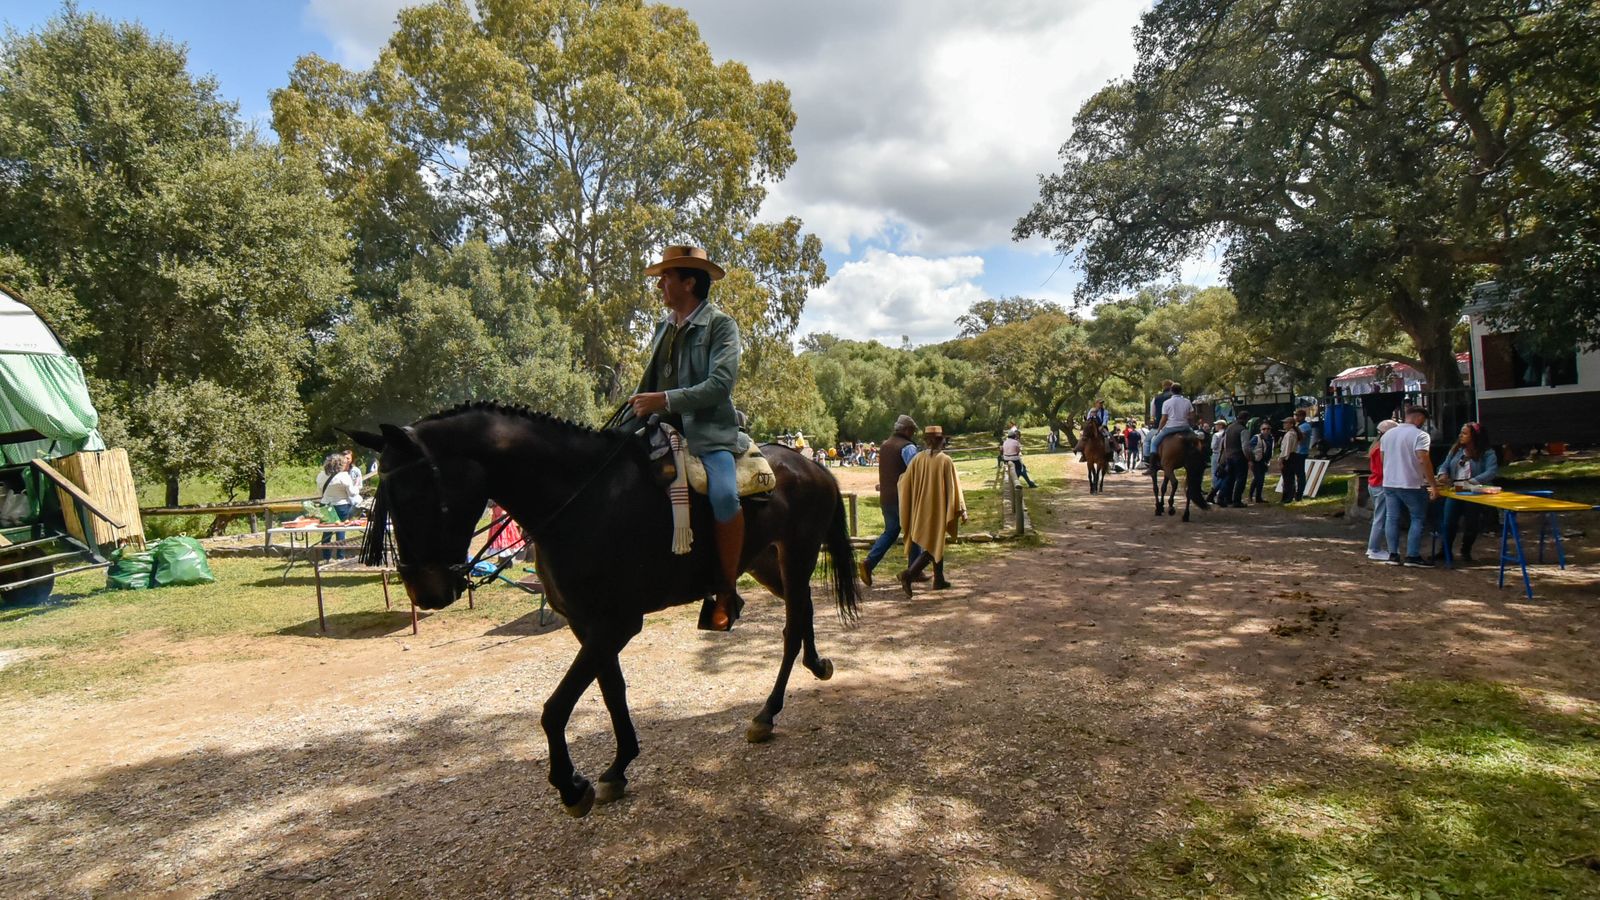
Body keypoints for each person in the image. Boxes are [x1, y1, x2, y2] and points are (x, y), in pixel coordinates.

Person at [621, 245, 746, 631]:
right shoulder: (664, 327)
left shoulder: (721, 325)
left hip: (710, 433)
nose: (660, 284)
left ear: (689, 282)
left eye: (666, 277)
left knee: (725, 496)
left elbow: (719, 386)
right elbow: (651, 383)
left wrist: (666, 399)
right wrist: (630, 414)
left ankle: (725, 592)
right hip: (661, 425)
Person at [897, 426, 967, 596]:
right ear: (939, 440)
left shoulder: (918, 459)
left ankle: (939, 579)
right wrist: (962, 509)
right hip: (937, 508)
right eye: (943, 439)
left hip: (921, 508)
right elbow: (954, 486)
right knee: (933, 544)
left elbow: (904, 482)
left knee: (935, 542)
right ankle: (909, 575)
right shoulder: (945, 460)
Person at [859, 415, 924, 587]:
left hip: (886, 497)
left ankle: (869, 562)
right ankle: (914, 570)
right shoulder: (907, 447)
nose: (913, 434)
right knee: (914, 532)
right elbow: (915, 472)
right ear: (906, 430)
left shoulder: (886, 445)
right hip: (903, 498)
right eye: (912, 431)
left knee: (891, 532)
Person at [1380, 405, 1440, 567]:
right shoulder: (1421, 435)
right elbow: (1423, 459)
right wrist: (1432, 484)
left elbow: (1382, 458)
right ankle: (1412, 555)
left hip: (1390, 482)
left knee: (1392, 518)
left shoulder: (1388, 435)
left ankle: (1393, 553)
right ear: (1419, 418)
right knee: (1417, 517)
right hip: (1411, 483)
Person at [1434, 421, 1499, 563]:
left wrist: (1471, 482)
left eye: (1464, 433)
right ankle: (1445, 550)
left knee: (1472, 523)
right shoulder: (1456, 450)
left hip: (1474, 492)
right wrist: (1442, 474)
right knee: (1448, 522)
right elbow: (1444, 465)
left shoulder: (1487, 453)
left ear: (1475, 436)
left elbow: (1491, 472)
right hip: (1455, 491)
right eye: (1461, 433)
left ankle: (1466, 550)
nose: (1460, 436)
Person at [1364, 419, 1399, 561]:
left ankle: (1374, 547)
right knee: (1380, 518)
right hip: (1380, 484)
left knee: (1379, 517)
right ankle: (1374, 548)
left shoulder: (1376, 445)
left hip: (1374, 483)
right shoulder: (1381, 448)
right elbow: (1382, 469)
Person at [1144, 383, 1196, 465]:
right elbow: (1192, 416)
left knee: (1154, 442)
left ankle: (1152, 464)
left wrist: (1159, 430)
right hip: (1185, 427)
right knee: (1198, 440)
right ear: (1181, 391)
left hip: (1171, 427)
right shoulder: (1187, 401)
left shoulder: (1167, 403)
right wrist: (1190, 422)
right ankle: (1204, 459)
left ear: (1172, 391)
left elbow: (1164, 418)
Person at [1218, 414, 1249, 507]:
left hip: (1228, 457)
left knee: (1229, 479)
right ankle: (1237, 500)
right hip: (1239, 457)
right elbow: (1245, 447)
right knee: (1240, 479)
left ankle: (1225, 498)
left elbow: (1224, 445)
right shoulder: (1243, 430)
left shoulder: (1229, 428)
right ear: (1246, 419)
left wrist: (1223, 457)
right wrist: (1250, 458)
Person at [1278, 416, 1305, 503]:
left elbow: (1287, 449)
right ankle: (1289, 496)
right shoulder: (1293, 433)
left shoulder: (1289, 434)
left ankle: (1287, 498)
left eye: (1286, 423)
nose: (1284, 424)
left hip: (1288, 457)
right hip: (1293, 456)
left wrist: (1281, 459)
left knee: (1287, 479)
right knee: (1289, 478)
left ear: (1291, 424)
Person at [1247, 420, 1273, 503]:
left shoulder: (1271, 438)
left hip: (1264, 461)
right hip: (1256, 461)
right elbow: (1249, 448)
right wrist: (1250, 460)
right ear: (1261, 430)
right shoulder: (1256, 437)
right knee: (1259, 479)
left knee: (1259, 479)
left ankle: (1256, 497)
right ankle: (1253, 496)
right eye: (1264, 429)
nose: (1266, 430)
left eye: (1268, 429)